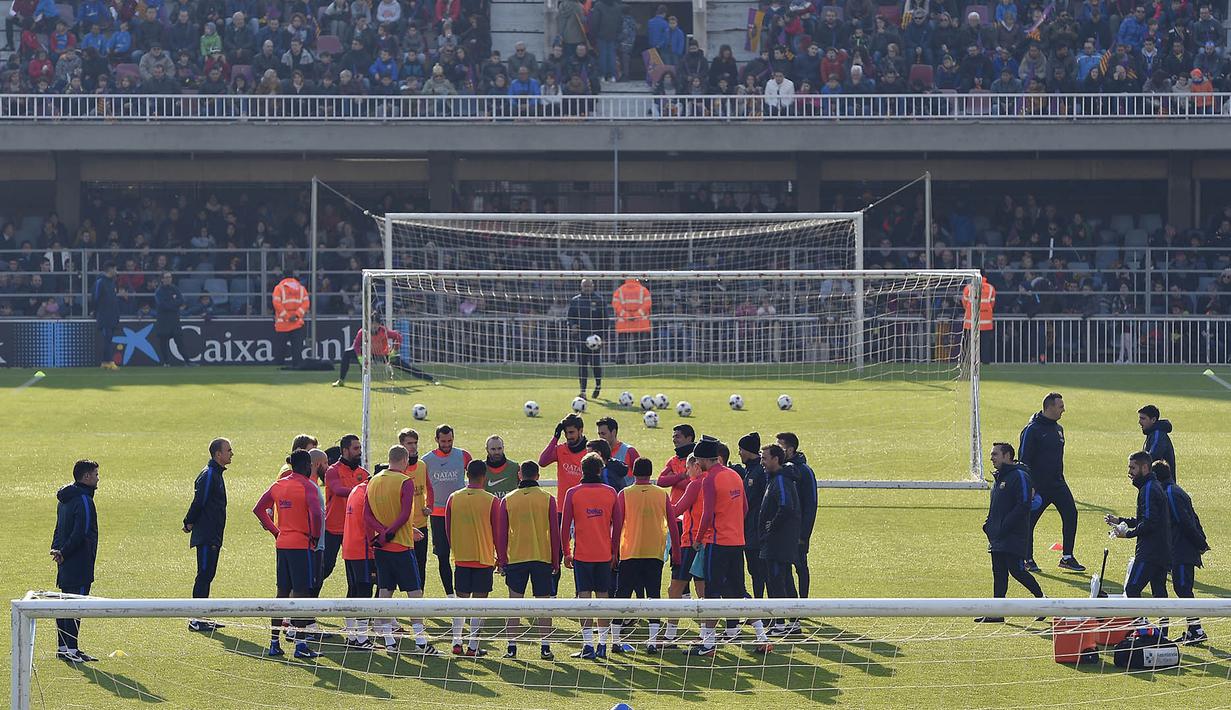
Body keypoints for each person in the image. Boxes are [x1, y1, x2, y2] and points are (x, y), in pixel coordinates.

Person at [365, 444, 438, 654]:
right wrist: (392, 532)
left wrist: (383, 532)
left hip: (382, 548)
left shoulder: (373, 481)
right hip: (402, 547)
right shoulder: (405, 481)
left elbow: (367, 516)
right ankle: (421, 643)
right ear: (405, 460)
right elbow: (405, 514)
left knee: (384, 592)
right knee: (415, 594)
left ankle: (389, 641)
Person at [253, 450, 323, 659]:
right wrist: (315, 537)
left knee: (282, 592)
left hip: (282, 544)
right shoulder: (308, 486)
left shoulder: (279, 485)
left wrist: (276, 531)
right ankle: (300, 645)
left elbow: (258, 509)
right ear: (307, 465)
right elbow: (317, 514)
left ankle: (274, 643)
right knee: (301, 594)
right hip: (301, 545)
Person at [689, 435, 753, 656]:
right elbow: (744, 508)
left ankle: (708, 643)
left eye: (698, 461)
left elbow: (707, 513)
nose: (697, 465)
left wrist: (698, 538)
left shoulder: (709, 479)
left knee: (711, 594)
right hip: (737, 542)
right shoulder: (734, 475)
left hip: (717, 543)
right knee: (738, 591)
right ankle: (761, 636)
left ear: (705, 459)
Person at [495, 460, 561, 660]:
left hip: (516, 558)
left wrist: (502, 559)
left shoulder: (508, 499)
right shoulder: (548, 499)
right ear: (538, 476)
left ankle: (512, 647)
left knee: (514, 603)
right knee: (543, 604)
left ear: (519, 476)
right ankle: (545, 647)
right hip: (542, 557)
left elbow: (501, 533)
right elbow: (555, 532)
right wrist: (556, 560)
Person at [560, 453, 622, 660]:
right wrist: (614, 551)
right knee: (603, 598)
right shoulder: (611, 492)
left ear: (582, 470)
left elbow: (564, 526)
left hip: (582, 555)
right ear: (600, 470)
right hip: (604, 554)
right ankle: (603, 644)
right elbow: (619, 524)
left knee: (584, 598)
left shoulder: (573, 493)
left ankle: (588, 644)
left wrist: (566, 552)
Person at [615, 457, 679, 653]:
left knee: (622, 596)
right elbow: (673, 523)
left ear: (632, 472)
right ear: (651, 473)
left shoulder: (624, 494)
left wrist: (612, 551)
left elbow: (617, 525)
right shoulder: (661, 494)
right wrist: (676, 551)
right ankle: (652, 641)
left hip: (629, 551)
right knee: (654, 595)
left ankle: (615, 640)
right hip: (654, 552)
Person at [975, 442, 1045, 623]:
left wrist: (1004, 525)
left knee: (1017, 571)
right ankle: (997, 612)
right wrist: (988, 524)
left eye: (995, 454)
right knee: (998, 572)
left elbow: (1024, 504)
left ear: (1007, 456)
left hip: (1013, 534)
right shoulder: (999, 479)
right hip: (998, 535)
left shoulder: (1019, 476)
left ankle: (1043, 602)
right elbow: (997, 507)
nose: (991, 458)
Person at [1021, 392, 1085, 572]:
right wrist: (1030, 485)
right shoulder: (1032, 430)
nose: (1063, 409)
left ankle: (1067, 557)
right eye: (1060, 406)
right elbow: (1024, 459)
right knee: (1029, 522)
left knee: (1071, 514)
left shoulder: (1059, 429)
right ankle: (1027, 559)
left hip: (1058, 483)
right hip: (1039, 486)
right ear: (1048, 407)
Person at [446, 459, 500, 657]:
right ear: (484, 476)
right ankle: (473, 647)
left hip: (461, 557)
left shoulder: (453, 498)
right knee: (479, 605)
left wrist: (456, 547)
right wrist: (500, 557)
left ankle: (456, 642)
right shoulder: (491, 500)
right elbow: (497, 531)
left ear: (467, 474)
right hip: (483, 558)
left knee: (460, 603)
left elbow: (447, 528)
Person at [1152, 460, 1210, 643]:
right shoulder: (1174, 490)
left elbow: (1186, 523)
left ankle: (1197, 631)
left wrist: (1200, 544)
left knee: (1184, 589)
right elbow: (1192, 518)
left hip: (1183, 550)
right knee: (1183, 589)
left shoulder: (1171, 493)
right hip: (1181, 548)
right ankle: (1195, 630)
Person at [51, 460, 101, 663]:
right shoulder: (84, 500)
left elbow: (58, 528)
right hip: (79, 560)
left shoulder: (64, 499)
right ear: (86, 476)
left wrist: (58, 551)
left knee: (65, 602)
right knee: (76, 604)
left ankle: (64, 647)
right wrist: (64, 551)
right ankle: (71, 649)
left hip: (65, 560)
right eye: (96, 474)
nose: (98, 478)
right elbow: (82, 532)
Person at [1105, 451, 1171, 600]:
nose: (1129, 472)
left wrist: (1127, 534)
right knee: (1159, 594)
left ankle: (1140, 623)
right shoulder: (1153, 486)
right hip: (1161, 550)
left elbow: (1148, 524)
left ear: (1145, 468)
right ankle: (1161, 624)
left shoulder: (1148, 489)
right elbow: (1146, 519)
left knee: (1132, 589)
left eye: (1133, 468)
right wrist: (1119, 520)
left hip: (1149, 552)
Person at [183, 438, 231, 632]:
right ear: (218, 454)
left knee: (207, 574)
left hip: (212, 534)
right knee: (204, 574)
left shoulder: (215, 473)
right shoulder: (210, 474)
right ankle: (196, 619)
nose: (231, 453)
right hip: (207, 534)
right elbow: (199, 501)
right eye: (228, 450)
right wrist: (188, 522)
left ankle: (201, 616)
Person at [758, 444, 798, 647]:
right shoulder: (775, 479)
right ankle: (786, 621)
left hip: (778, 542)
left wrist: (771, 526)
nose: (762, 462)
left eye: (765, 458)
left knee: (776, 580)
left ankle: (781, 623)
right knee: (777, 580)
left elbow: (786, 506)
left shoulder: (781, 480)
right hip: (775, 541)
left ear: (776, 459)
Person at [424, 424, 472, 596]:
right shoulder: (426, 460)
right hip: (437, 516)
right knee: (443, 555)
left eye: (449, 440)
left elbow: (476, 478)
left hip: (460, 513)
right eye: (443, 441)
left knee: (463, 555)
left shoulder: (464, 456)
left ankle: (463, 592)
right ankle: (449, 595)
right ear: (436, 439)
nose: (446, 444)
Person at [332, 312, 438, 386]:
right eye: (372, 323)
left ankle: (431, 379)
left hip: (384, 355)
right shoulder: (363, 332)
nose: (374, 326)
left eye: (376, 324)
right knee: (347, 353)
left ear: (379, 324)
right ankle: (341, 380)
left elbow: (398, 336)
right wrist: (360, 358)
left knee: (406, 367)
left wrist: (394, 351)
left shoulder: (384, 331)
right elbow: (355, 345)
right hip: (368, 354)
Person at [776, 432, 817, 610]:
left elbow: (811, 504)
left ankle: (804, 603)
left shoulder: (805, 472)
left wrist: (804, 534)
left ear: (790, 449)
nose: (778, 448)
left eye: (781, 445)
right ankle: (792, 604)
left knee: (800, 565)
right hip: (785, 531)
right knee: (785, 568)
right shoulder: (782, 469)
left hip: (798, 531)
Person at [322, 434, 368, 591]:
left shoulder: (364, 473)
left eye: (360, 448)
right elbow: (337, 490)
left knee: (355, 573)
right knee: (325, 568)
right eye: (356, 448)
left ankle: (352, 613)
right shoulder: (333, 471)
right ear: (345, 450)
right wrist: (361, 491)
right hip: (334, 528)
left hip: (354, 530)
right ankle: (306, 603)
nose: (359, 451)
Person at [340, 456, 377, 648]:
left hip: (350, 548)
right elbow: (370, 522)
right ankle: (361, 638)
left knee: (353, 591)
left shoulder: (357, 489)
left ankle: (352, 634)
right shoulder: (370, 493)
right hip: (363, 549)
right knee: (363, 591)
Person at [657, 423, 695, 603]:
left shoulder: (697, 460)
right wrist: (680, 477)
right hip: (675, 518)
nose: (674, 439)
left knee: (692, 558)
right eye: (674, 436)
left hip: (693, 517)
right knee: (677, 558)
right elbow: (661, 480)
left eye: (678, 436)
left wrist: (678, 481)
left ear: (689, 438)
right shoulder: (674, 460)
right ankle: (685, 594)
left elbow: (693, 486)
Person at [732, 433, 767, 599]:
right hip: (748, 530)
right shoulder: (750, 470)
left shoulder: (759, 472)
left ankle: (763, 607)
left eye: (741, 449)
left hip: (756, 531)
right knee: (754, 571)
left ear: (748, 450)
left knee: (760, 572)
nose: (739, 453)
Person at [567, 277, 611, 399]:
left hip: (596, 339)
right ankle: (583, 391)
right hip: (581, 338)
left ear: (593, 286)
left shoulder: (599, 300)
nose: (587, 288)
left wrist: (603, 337)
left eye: (589, 286)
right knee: (582, 365)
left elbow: (605, 320)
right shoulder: (575, 300)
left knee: (595, 364)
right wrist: (573, 325)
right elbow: (570, 317)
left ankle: (598, 385)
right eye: (584, 286)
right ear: (581, 287)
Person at [539, 413, 588, 500]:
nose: (568, 436)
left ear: (580, 430)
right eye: (565, 433)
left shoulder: (589, 451)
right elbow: (542, 462)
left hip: (582, 505)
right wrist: (555, 437)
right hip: (563, 507)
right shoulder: (561, 449)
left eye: (571, 432)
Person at [271, 269, 309, 367]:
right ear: (293, 276)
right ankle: (297, 365)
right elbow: (306, 304)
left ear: (283, 276)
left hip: (282, 324)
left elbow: (277, 304)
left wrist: (286, 316)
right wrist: (296, 315)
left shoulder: (279, 288)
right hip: (297, 323)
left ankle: (278, 367)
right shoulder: (301, 288)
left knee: (280, 350)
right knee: (297, 350)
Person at [612, 276, 651, 365]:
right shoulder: (643, 290)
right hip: (640, 322)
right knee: (640, 344)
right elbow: (647, 304)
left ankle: (621, 362)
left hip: (624, 323)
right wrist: (637, 315)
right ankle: (641, 362)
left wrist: (626, 315)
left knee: (623, 344)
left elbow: (616, 305)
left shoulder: (619, 290)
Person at [154, 271, 189, 365]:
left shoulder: (175, 288)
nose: (168, 279)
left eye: (170, 277)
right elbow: (163, 305)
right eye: (166, 277)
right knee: (163, 343)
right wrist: (175, 304)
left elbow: (181, 300)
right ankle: (166, 362)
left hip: (174, 320)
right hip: (163, 321)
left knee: (180, 342)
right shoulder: (159, 291)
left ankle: (187, 361)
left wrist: (171, 304)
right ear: (162, 279)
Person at [962, 271, 997, 364]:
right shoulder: (990, 288)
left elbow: (964, 303)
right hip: (986, 323)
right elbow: (992, 303)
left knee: (970, 344)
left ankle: (970, 362)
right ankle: (985, 361)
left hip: (971, 322)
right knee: (985, 344)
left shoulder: (968, 288)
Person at [92, 261, 119, 369]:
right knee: (107, 338)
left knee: (109, 338)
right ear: (110, 269)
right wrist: (97, 311)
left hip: (112, 315)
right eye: (115, 269)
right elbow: (95, 298)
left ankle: (104, 362)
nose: (116, 271)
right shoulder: (100, 282)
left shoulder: (112, 282)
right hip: (104, 315)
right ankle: (110, 361)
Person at [1138, 405, 1176, 480]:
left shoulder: (1158, 435)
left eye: (1143, 418)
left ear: (1153, 420)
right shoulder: (1153, 433)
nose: (1139, 422)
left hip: (1161, 485)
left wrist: (1138, 467)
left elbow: (1152, 457)